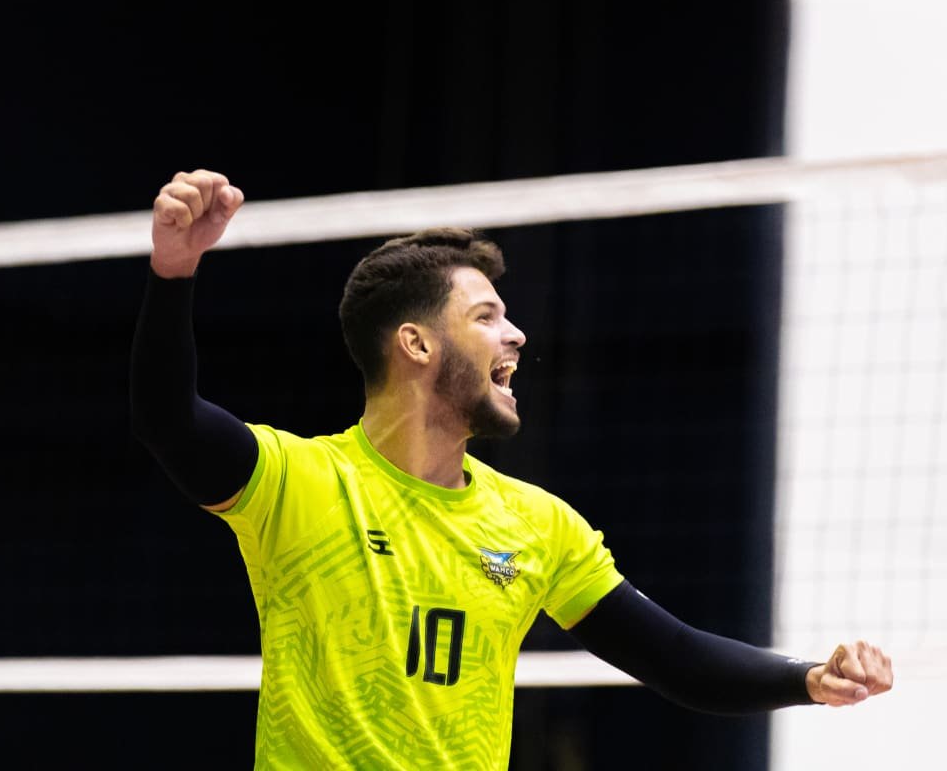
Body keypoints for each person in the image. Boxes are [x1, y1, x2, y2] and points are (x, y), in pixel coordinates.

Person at [131, 169, 893, 770]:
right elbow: (169, 420)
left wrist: (805, 678)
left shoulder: (537, 525)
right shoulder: (299, 482)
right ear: (417, 344)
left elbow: (677, 659)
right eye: (486, 316)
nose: (517, 334)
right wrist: (174, 270)